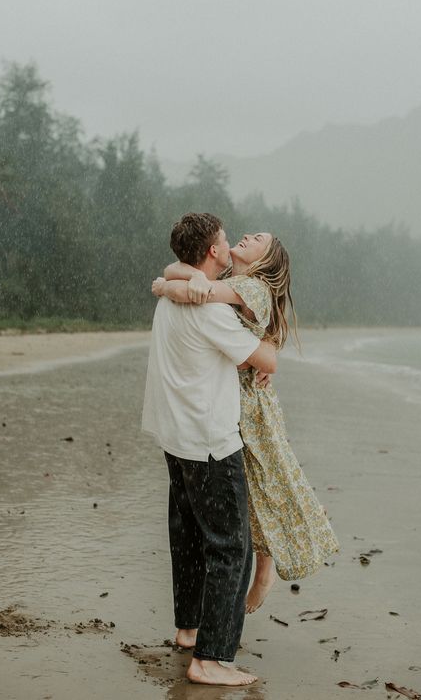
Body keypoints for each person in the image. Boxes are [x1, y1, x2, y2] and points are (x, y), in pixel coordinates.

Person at [154, 230, 339, 614]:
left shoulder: (252, 288)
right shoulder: (228, 281)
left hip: (252, 405)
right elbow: (178, 270)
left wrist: (169, 286)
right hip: (227, 397)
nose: (247, 235)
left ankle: (265, 569)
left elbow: (196, 294)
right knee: (249, 489)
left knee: (269, 481)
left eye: (258, 239)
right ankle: (251, 572)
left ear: (263, 262)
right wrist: (175, 277)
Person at [142, 213, 277, 686]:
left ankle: (188, 628)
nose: (230, 241)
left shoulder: (173, 298)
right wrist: (265, 342)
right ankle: (212, 658)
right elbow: (265, 359)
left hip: (173, 435)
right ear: (214, 252)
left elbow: (172, 276)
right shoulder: (210, 309)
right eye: (224, 239)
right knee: (230, 547)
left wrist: (176, 280)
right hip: (209, 442)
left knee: (188, 536)